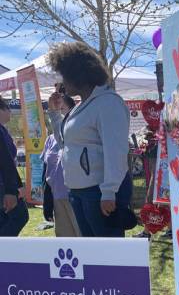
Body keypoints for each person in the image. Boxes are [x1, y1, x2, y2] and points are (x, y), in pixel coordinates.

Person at [47, 42, 132, 237]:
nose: (62, 82)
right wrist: (53, 114)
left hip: (99, 193)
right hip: (77, 191)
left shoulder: (109, 103)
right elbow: (64, 144)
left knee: (108, 257)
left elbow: (116, 150)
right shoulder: (79, 107)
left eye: (65, 75)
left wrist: (109, 192)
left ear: (79, 74)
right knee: (91, 256)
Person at [41, 95, 80, 237]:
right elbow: (46, 172)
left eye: (61, 108)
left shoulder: (79, 135)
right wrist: (47, 201)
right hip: (57, 198)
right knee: (64, 240)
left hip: (77, 196)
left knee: (83, 237)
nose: (58, 112)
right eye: (55, 108)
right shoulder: (50, 140)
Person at [0, 96, 29, 237]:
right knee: (20, 217)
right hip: (3, 186)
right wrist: (13, 190)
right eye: (7, 109)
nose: (10, 112)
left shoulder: (3, 130)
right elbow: (6, 160)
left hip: (6, 185)